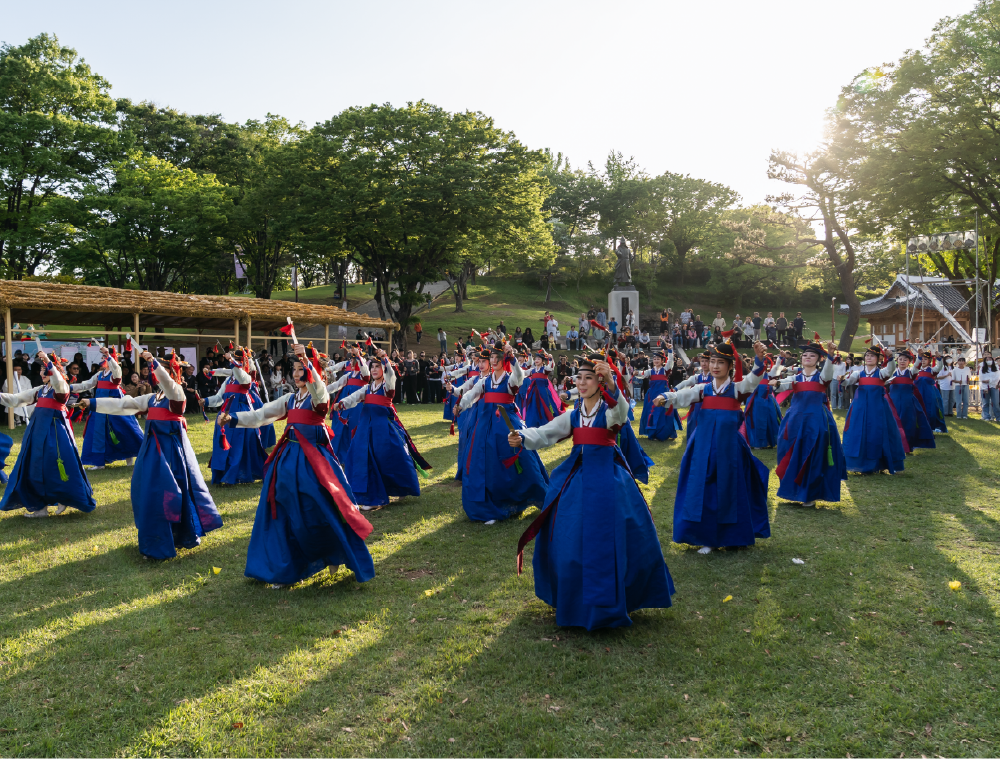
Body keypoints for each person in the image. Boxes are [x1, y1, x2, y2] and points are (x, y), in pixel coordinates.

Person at [512, 353, 674, 630]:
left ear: (600, 382)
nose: (583, 382)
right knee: (569, 535)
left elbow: (621, 413)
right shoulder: (574, 414)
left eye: (589, 378)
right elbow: (548, 432)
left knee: (615, 536)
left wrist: (613, 384)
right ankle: (574, 598)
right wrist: (523, 437)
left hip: (610, 480)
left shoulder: (609, 411)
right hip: (578, 476)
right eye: (579, 377)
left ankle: (615, 598)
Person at [220, 344, 374, 588]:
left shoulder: (319, 395)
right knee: (281, 509)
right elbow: (261, 415)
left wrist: (307, 360)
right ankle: (286, 566)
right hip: (287, 459)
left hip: (314, 464)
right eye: (294, 369)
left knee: (317, 509)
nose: (296, 373)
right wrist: (234, 418)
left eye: (300, 369)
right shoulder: (291, 399)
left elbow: (317, 387)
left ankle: (330, 550)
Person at [80, 353, 222, 559]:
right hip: (151, 453)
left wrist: (152, 362)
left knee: (170, 493)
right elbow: (123, 405)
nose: (158, 376)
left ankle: (172, 536)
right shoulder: (153, 398)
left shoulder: (177, 395)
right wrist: (92, 403)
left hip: (171, 454)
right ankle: (157, 536)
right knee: (147, 492)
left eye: (163, 371)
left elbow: (168, 382)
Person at [653, 340, 771, 553]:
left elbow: (753, 381)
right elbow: (682, 396)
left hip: (729, 450)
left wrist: (759, 360)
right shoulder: (703, 389)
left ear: (729, 367)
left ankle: (732, 536)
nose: (715, 366)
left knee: (730, 490)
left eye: (720, 363)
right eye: (713, 362)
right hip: (703, 448)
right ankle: (707, 537)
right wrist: (665, 397)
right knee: (704, 489)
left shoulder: (737, 389)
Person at [455, 342, 549, 524]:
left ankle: (524, 496)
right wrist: (460, 405)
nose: (494, 360)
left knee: (520, 461)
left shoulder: (509, 380)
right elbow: (471, 395)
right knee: (485, 463)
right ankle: (489, 506)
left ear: (503, 360)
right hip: (484, 427)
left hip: (506, 426)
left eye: (498, 357)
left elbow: (520, 376)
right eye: (492, 357)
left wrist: (513, 358)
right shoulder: (485, 381)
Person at [0, 351, 96, 518]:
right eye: (42, 370)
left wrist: (49, 362)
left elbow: (59, 382)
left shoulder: (62, 388)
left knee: (58, 465)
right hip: (37, 434)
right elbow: (15, 399)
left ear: (54, 371)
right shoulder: (41, 390)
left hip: (56, 436)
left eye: (45, 370)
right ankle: (40, 508)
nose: (42, 373)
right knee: (35, 467)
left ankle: (63, 497)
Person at [335, 349, 430, 510]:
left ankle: (398, 489)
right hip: (365, 428)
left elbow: (392, 374)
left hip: (383, 429)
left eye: (377, 366)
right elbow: (354, 398)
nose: (373, 370)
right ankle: (367, 495)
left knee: (389, 459)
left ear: (383, 369)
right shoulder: (367, 388)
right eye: (372, 367)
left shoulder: (388, 385)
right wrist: (341, 403)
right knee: (358, 456)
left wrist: (385, 358)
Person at [768, 340, 847, 508]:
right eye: (805, 355)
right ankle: (793, 490)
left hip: (816, 420)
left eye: (812, 355)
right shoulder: (795, 378)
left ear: (818, 359)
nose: (807, 357)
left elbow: (827, 373)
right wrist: (776, 379)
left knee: (813, 455)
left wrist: (830, 355)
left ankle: (810, 494)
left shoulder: (822, 377)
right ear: (801, 359)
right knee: (789, 452)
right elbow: (779, 383)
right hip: (794, 420)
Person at [72, 346, 144, 470]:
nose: (102, 359)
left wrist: (109, 356)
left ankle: (130, 456)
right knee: (97, 432)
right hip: (99, 406)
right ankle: (99, 462)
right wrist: (69, 388)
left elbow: (116, 369)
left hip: (115, 406)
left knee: (124, 430)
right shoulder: (100, 374)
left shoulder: (115, 372)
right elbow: (87, 384)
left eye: (104, 357)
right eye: (103, 357)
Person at [840, 346, 908, 473]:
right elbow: (847, 382)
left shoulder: (881, 372)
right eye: (867, 356)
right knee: (858, 431)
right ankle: (858, 463)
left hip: (877, 407)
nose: (869, 358)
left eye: (872, 356)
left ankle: (879, 464)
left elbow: (891, 369)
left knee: (878, 432)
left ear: (878, 359)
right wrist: (842, 380)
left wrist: (891, 357)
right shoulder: (858, 373)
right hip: (860, 407)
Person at [204, 351, 267, 484]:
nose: (236, 364)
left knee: (240, 445)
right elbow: (219, 398)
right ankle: (223, 473)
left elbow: (239, 373)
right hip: (224, 415)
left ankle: (240, 474)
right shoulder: (228, 380)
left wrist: (232, 361)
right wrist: (206, 401)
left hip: (241, 415)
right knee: (223, 444)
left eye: (239, 361)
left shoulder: (247, 378)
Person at [887, 348, 936, 451]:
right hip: (893, 402)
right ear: (897, 360)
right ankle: (894, 445)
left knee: (908, 423)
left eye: (905, 360)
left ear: (909, 362)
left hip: (907, 403)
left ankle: (908, 446)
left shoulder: (911, 373)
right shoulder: (891, 373)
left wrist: (919, 356)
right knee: (893, 422)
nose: (902, 362)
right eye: (900, 359)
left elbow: (917, 366)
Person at [636, 348, 681, 441]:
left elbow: (671, 362)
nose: (656, 360)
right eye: (654, 359)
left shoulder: (665, 370)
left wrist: (669, 351)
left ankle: (663, 433)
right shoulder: (650, 371)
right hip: (652, 396)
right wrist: (637, 373)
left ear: (662, 361)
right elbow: (642, 374)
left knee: (663, 413)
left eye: (658, 359)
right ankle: (652, 433)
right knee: (651, 413)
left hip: (664, 395)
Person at [518, 350, 563, 428]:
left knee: (545, 407)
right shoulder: (532, 370)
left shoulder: (545, 369)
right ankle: (532, 423)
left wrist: (550, 358)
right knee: (533, 408)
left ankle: (547, 422)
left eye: (538, 359)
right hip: (533, 394)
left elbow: (551, 367)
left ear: (543, 361)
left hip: (543, 393)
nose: (536, 360)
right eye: (535, 359)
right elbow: (523, 373)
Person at [915, 351, 948, 431]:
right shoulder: (915, 371)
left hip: (929, 394)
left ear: (929, 360)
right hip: (918, 393)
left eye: (925, 359)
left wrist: (939, 359)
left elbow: (939, 366)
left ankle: (932, 426)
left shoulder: (932, 370)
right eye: (922, 359)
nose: (923, 361)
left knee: (930, 410)